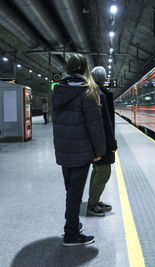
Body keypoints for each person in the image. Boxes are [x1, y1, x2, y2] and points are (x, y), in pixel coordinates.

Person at [52, 54, 106, 246]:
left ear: (67, 68)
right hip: (82, 151)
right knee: (75, 193)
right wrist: (100, 150)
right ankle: (71, 234)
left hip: (64, 150)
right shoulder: (88, 91)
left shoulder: (58, 91)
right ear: (84, 69)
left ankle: (73, 224)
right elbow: (94, 126)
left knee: (71, 191)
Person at [87, 66, 118, 216]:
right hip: (102, 141)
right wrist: (112, 144)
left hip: (97, 140)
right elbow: (106, 122)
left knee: (97, 170)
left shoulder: (95, 93)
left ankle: (95, 200)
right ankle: (92, 204)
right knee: (104, 172)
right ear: (103, 78)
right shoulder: (101, 95)